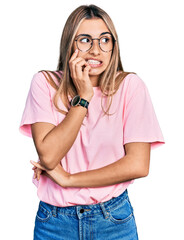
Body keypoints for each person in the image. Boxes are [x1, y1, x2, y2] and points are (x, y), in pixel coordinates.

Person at [19, 4, 164, 240]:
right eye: (85, 40)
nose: (96, 50)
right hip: (55, 223)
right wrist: (84, 98)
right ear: (69, 45)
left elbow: (138, 165)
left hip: (113, 220)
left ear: (113, 47)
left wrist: (69, 179)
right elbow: (49, 156)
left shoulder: (130, 87)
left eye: (104, 40)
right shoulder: (45, 83)